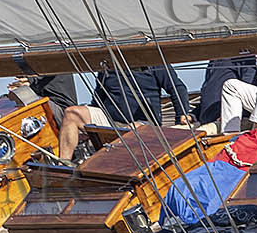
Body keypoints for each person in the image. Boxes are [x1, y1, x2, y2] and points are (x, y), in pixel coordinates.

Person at [56, 65, 191, 162]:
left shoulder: (152, 61)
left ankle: (105, 164)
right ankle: (64, 164)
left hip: (143, 123)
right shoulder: (108, 65)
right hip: (110, 118)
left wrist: (182, 114)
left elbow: (177, 88)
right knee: (71, 113)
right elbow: (99, 96)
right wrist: (89, 128)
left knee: (130, 129)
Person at [196, 57, 257, 129]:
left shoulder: (241, 55)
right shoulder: (213, 60)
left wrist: (228, 115)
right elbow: (208, 96)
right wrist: (193, 115)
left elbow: (246, 93)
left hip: (222, 122)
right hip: (205, 120)